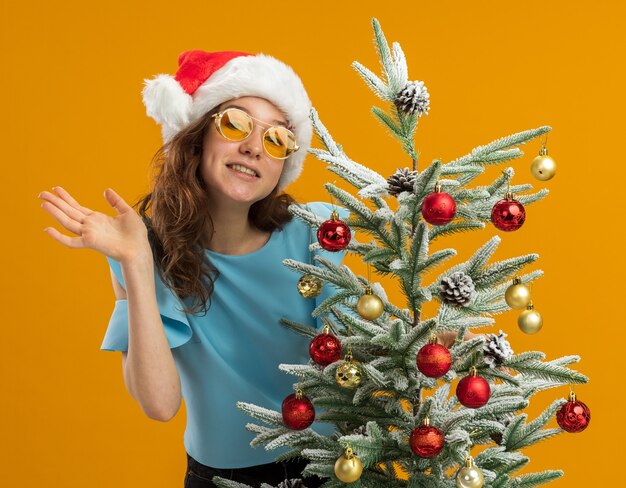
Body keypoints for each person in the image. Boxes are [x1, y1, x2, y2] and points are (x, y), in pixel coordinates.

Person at [38, 50, 469, 487]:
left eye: (277, 139)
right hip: (220, 478)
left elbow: (357, 356)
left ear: (283, 165)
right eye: (235, 124)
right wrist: (134, 263)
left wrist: (430, 343)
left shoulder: (315, 230)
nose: (252, 147)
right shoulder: (143, 250)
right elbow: (160, 404)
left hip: (336, 468)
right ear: (197, 137)